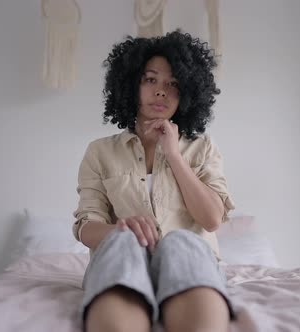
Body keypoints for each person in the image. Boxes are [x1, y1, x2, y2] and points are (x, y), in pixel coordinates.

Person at [72, 30, 236, 332]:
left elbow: (212, 219)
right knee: (122, 243)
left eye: (173, 83)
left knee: (182, 241)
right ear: (131, 85)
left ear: (186, 92)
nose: (161, 91)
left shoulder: (202, 148)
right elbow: (85, 228)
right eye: (150, 80)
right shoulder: (99, 151)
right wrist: (123, 230)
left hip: (189, 259)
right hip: (124, 258)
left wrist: (173, 155)